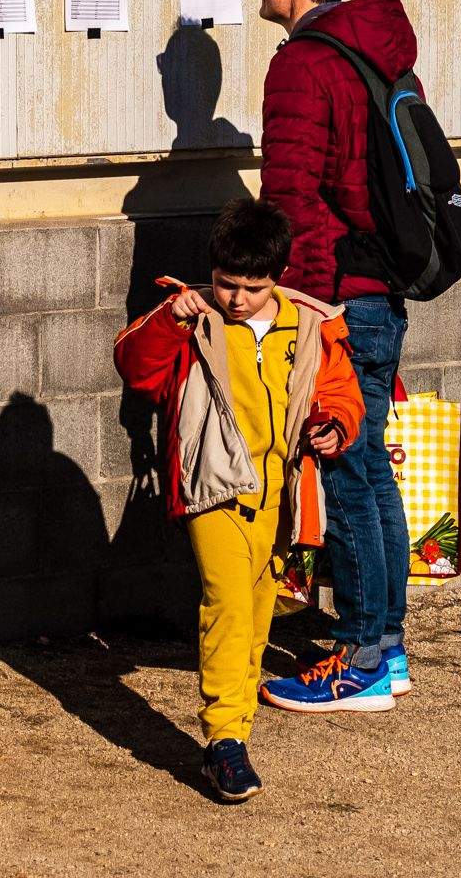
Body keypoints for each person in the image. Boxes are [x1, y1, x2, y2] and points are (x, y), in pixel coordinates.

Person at [113, 198, 364, 801]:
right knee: (226, 600)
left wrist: (335, 423)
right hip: (212, 485)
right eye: (227, 284)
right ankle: (225, 740)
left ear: (277, 277)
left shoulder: (308, 324)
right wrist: (171, 321)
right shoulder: (189, 315)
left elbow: (340, 391)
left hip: (279, 491)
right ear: (213, 271)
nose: (236, 298)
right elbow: (136, 368)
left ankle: (237, 727)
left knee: (257, 611)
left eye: (252, 288)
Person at [250, 0, 423, 715]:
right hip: (383, 290)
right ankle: (385, 645)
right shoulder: (376, 55)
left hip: (337, 298)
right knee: (371, 465)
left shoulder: (302, 67)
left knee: (346, 467)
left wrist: (302, 307)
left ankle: (357, 658)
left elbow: (291, 198)